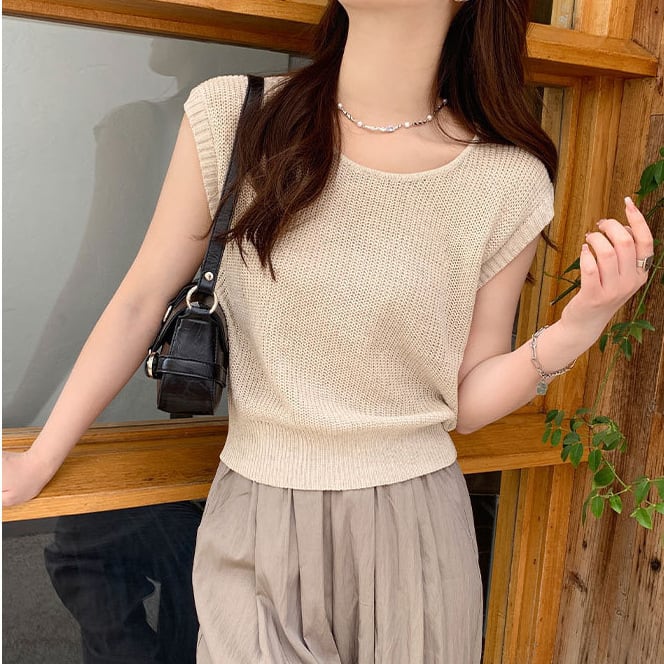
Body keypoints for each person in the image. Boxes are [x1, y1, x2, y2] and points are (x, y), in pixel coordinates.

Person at [3, 1, 655, 662]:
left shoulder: (506, 181)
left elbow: (465, 401)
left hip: (417, 532)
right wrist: (40, 456)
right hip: (255, 516)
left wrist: (578, 328)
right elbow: (139, 302)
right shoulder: (236, 117)